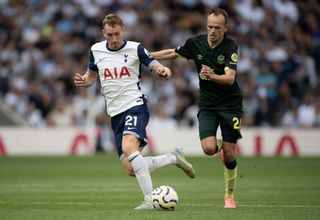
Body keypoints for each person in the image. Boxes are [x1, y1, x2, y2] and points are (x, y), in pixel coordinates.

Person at [74, 14, 195, 210]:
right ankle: (173, 157)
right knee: (131, 168)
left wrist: (163, 70)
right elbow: (90, 77)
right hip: (115, 115)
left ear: (123, 31)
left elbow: (154, 64)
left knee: (129, 149)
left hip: (134, 105)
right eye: (110, 34)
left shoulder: (135, 48)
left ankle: (149, 201)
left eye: (117, 34)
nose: (114, 39)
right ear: (104, 33)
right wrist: (84, 81)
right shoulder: (95, 50)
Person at [151, 8, 242, 208]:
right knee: (209, 149)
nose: (213, 31)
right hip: (208, 104)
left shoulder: (230, 47)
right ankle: (220, 150)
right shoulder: (196, 43)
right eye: (210, 27)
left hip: (230, 105)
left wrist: (212, 76)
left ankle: (229, 195)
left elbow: (230, 78)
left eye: (218, 28)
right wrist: (146, 56)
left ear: (225, 28)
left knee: (230, 154)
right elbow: (173, 53)